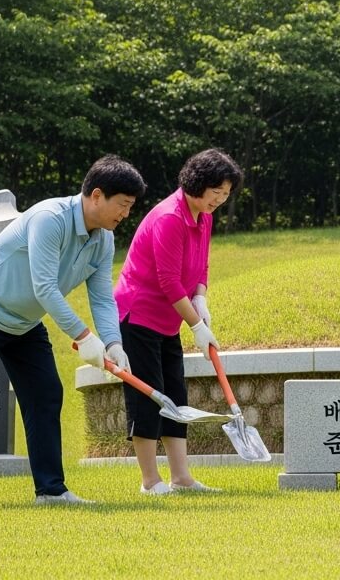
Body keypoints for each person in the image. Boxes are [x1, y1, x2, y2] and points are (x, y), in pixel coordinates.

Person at [0, 154, 147, 512]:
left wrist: (113, 343)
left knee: (46, 394)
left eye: (129, 207)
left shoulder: (103, 240)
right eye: (123, 205)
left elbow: (101, 298)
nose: (125, 215)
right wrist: (83, 337)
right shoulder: (51, 219)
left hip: (24, 321)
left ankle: (50, 489)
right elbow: (46, 288)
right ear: (97, 195)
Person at [114, 148, 243, 495]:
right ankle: (149, 481)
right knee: (150, 397)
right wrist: (197, 327)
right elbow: (168, 280)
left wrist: (201, 298)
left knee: (175, 395)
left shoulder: (204, 215)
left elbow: (200, 267)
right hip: (138, 315)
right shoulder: (170, 217)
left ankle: (181, 477)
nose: (221, 199)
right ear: (198, 183)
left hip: (168, 319)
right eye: (217, 191)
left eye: (226, 194)